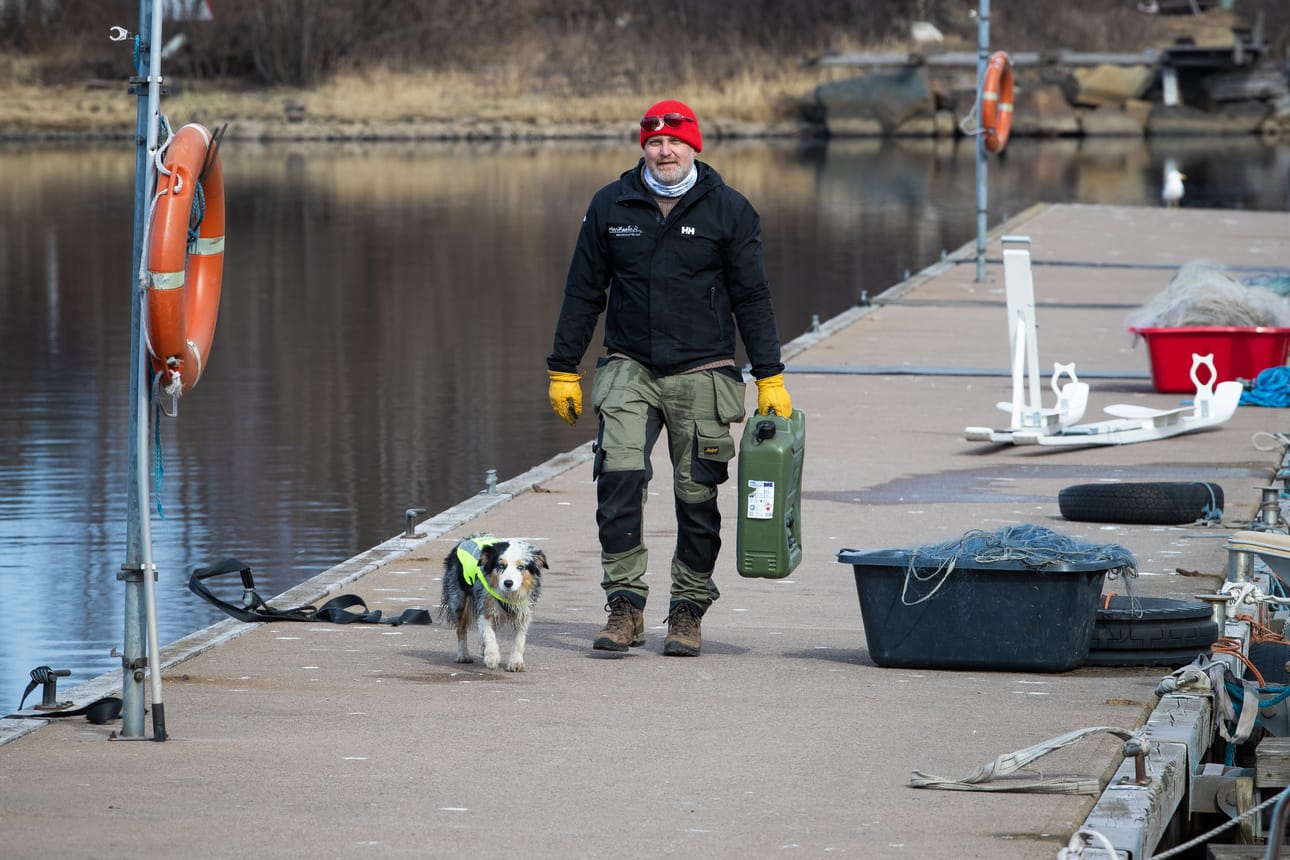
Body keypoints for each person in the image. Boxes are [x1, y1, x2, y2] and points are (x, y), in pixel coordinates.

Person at [545, 98, 792, 657]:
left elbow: (753, 297)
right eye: (655, 141)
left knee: (696, 495)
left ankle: (687, 611)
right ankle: (625, 606)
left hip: (704, 371)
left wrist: (769, 376)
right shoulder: (611, 204)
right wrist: (563, 367)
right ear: (643, 146)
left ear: (694, 146)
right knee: (619, 479)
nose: (665, 150)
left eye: (675, 141)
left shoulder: (730, 210)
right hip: (629, 366)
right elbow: (584, 291)